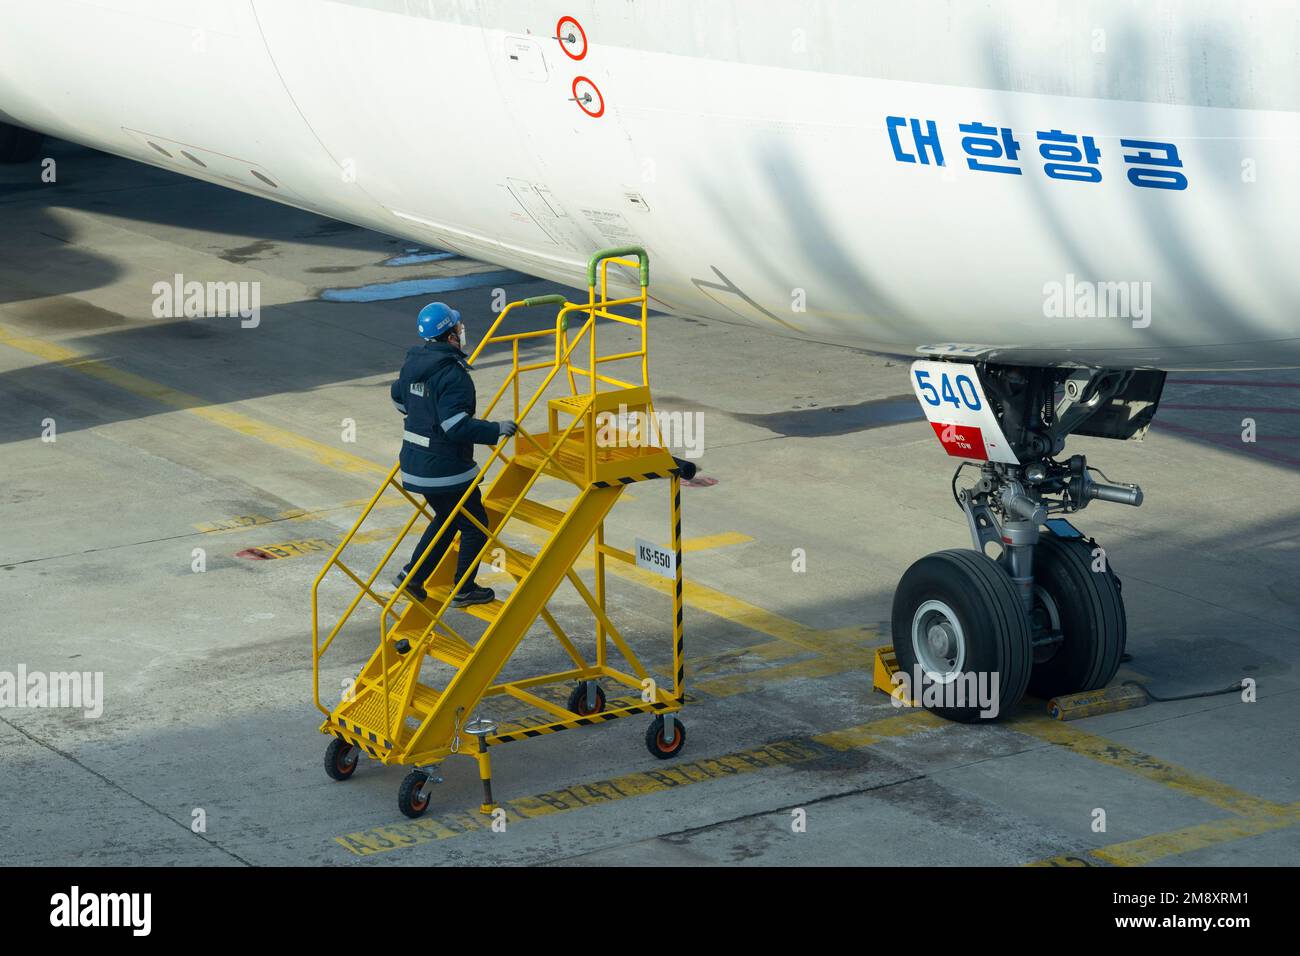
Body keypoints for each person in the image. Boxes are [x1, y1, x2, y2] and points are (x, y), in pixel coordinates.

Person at [390, 302, 517, 607]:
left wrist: (423, 414)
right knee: (475, 526)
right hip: (445, 468)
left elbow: (399, 399)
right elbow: (455, 427)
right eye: (458, 328)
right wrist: (495, 429)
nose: (462, 331)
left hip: (414, 462)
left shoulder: (413, 363)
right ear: (449, 337)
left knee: (447, 519)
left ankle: (412, 577)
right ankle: (464, 588)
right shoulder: (453, 375)